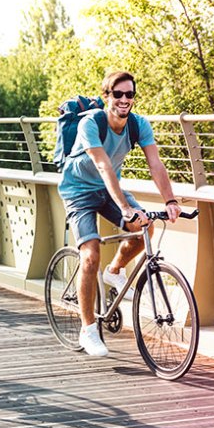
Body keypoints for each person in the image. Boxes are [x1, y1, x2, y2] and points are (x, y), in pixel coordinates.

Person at [58, 71, 181, 357]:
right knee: (90, 255)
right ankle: (88, 329)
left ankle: (114, 271)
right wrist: (126, 208)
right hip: (78, 191)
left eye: (129, 94)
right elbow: (103, 166)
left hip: (108, 189)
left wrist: (171, 200)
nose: (124, 100)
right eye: (118, 94)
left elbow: (155, 164)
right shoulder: (91, 123)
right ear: (107, 97)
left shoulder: (138, 125)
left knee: (145, 228)